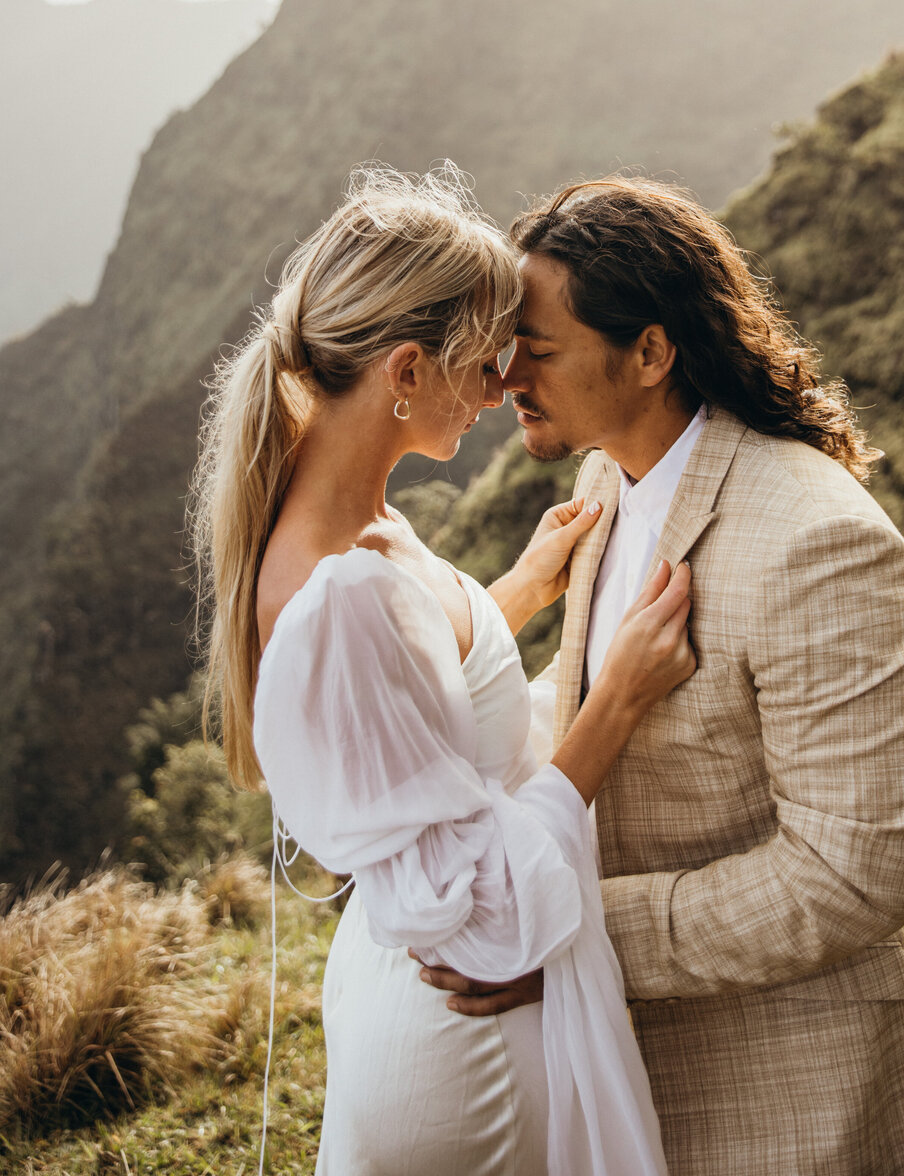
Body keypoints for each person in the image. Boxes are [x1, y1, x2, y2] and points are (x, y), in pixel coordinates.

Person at [426, 177, 904, 1176]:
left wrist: (565, 935)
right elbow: (575, 701)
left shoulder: (819, 542)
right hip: (630, 1094)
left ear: (652, 353)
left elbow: (850, 880)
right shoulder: (604, 479)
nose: (503, 378)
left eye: (535, 349)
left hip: (793, 1106)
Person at [191, 165, 694, 1176]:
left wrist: (507, 600)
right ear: (407, 371)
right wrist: (616, 701)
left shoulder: (352, 522)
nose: (502, 387)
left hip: (416, 1019)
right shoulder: (340, 592)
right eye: (484, 361)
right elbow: (480, 912)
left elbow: (409, 703)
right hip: (460, 1046)